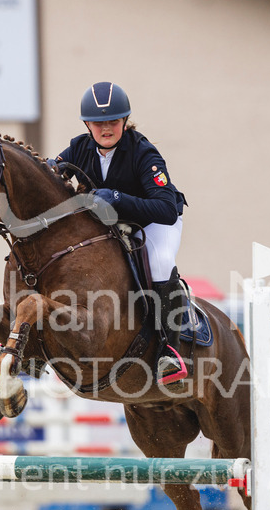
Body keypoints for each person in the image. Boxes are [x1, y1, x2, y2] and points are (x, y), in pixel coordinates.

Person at [54, 81, 189, 385]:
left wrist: (117, 198)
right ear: (87, 124)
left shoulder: (144, 153)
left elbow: (165, 208)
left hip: (154, 224)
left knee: (160, 261)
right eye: (99, 123)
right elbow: (52, 173)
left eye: (113, 121)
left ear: (124, 122)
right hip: (111, 226)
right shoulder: (78, 148)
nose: (106, 128)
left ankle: (170, 349)